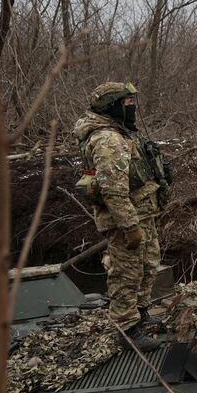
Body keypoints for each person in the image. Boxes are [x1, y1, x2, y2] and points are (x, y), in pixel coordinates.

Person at [74, 82, 171, 351]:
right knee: (126, 273)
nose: (133, 108)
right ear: (113, 106)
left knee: (148, 264)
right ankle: (126, 329)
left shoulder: (123, 133)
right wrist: (129, 226)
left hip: (143, 213)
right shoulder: (108, 140)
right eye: (127, 103)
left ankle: (139, 313)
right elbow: (112, 190)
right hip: (125, 220)